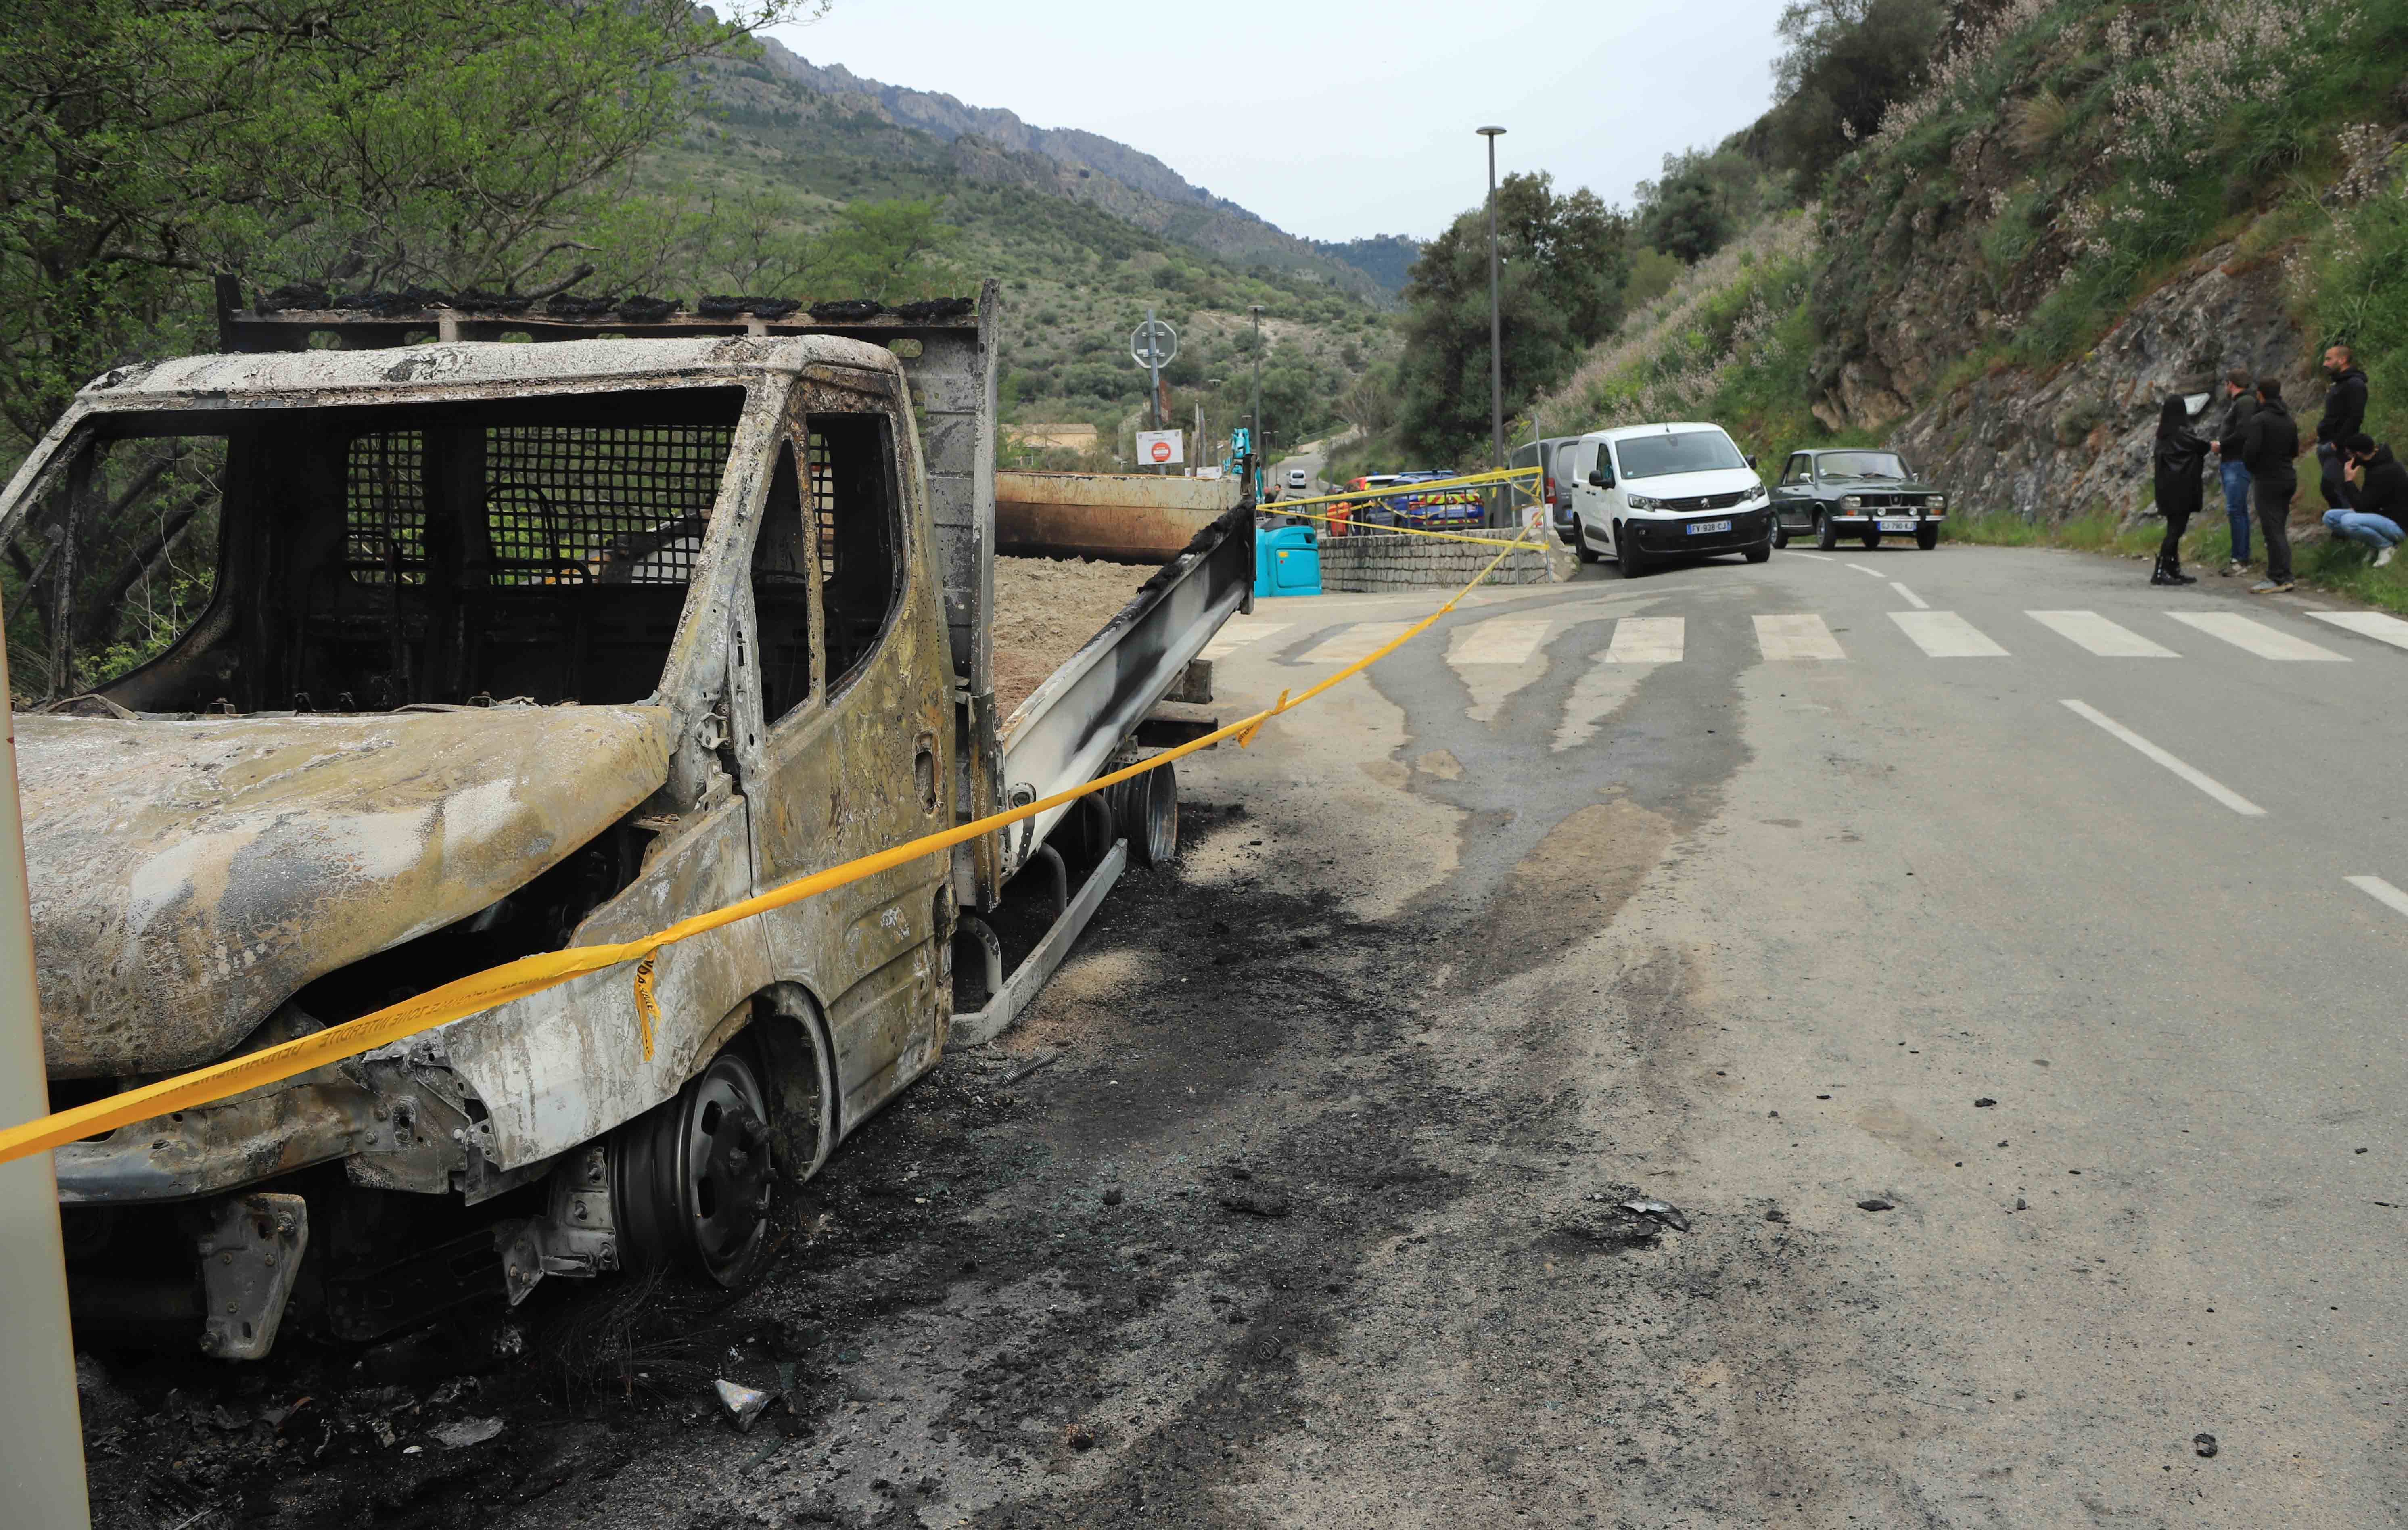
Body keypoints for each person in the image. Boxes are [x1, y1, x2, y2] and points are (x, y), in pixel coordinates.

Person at [2238, 376, 2299, 594]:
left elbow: (2250, 452)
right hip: (2288, 477)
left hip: (2268, 479)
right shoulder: (2289, 420)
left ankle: (2279, 577)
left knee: (2272, 531)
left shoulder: (2260, 420)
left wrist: (2255, 469)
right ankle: (2284, 575)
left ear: (2260, 395)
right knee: (2279, 528)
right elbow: (2295, 451)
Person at [2150, 394, 2209, 585]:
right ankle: (2161, 570)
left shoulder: (2163, 435)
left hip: (2166, 491)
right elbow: (2202, 446)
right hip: (2181, 490)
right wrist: (2213, 446)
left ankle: (2172, 569)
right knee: (2176, 531)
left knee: (2173, 529)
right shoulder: (2181, 434)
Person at [2328, 432, 2406, 569]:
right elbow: (2368, 504)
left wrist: (2349, 481)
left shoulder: (2383, 471)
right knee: (2330, 517)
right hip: (2383, 517)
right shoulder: (2375, 465)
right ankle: (2376, 543)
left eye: (2350, 455)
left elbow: (2362, 509)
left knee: (2349, 522)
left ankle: (2387, 546)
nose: (2349, 459)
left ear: (2359, 454)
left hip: (2399, 527)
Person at [2315, 343, 2368, 512]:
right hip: (2327, 444)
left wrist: (2337, 444)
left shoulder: (2355, 384)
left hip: (2339, 446)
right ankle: (2344, 531)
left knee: (2334, 488)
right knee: (2335, 489)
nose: (2325, 363)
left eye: (2329, 359)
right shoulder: (2338, 384)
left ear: (2343, 360)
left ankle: (2352, 527)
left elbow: (2355, 418)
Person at [2215, 367, 2256, 575]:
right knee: (2237, 510)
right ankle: (2239, 555)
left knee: (2236, 510)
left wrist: (2222, 446)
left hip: (2237, 461)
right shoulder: (2241, 403)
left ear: (2230, 383)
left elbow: (2243, 433)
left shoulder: (2246, 403)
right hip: (2233, 461)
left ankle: (2240, 558)